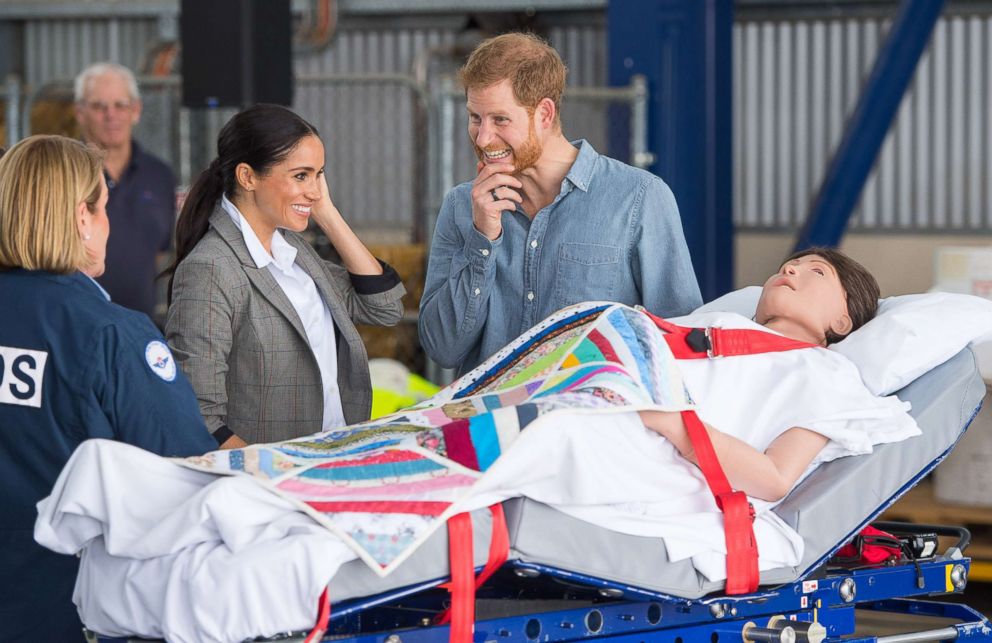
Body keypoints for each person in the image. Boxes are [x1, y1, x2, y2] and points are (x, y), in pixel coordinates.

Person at [0, 135, 216, 642]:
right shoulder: (111, 334)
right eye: (103, 209)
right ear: (81, 218)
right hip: (72, 609)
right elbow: (186, 477)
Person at [419, 32, 703, 376]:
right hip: (488, 423)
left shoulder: (640, 198)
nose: (482, 138)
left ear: (544, 113)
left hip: (589, 423)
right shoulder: (461, 207)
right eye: (475, 118)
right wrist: (483, 239)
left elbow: (681, 340)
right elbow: (441, 349)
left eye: (500, 120)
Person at [163, 104, 406, 447]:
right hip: (273, 481)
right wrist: (271, 480)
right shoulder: (212, 268)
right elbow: (198, 414)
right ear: (247, 177)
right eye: (300, 175)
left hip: (328, 458)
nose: (315, 190)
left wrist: (328, 213)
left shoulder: (292, 249)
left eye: (319, 175)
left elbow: (383, 307)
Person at [639, 247, 884, 502]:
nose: (790, 269)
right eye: (788, 266)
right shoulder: (718, 321)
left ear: (842, 322)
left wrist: (674, 424)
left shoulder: (825, 373)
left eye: (817, 271)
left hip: (643, 436)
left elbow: (775, 479)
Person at [74, 62, 177, 318]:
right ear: (79, 112)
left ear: (136, 110)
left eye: (120, 105)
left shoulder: (160, 175)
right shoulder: (64, 175)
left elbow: (159, 251)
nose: (111, 115)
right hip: (76, 322)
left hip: (138, 326)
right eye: (99, 106)